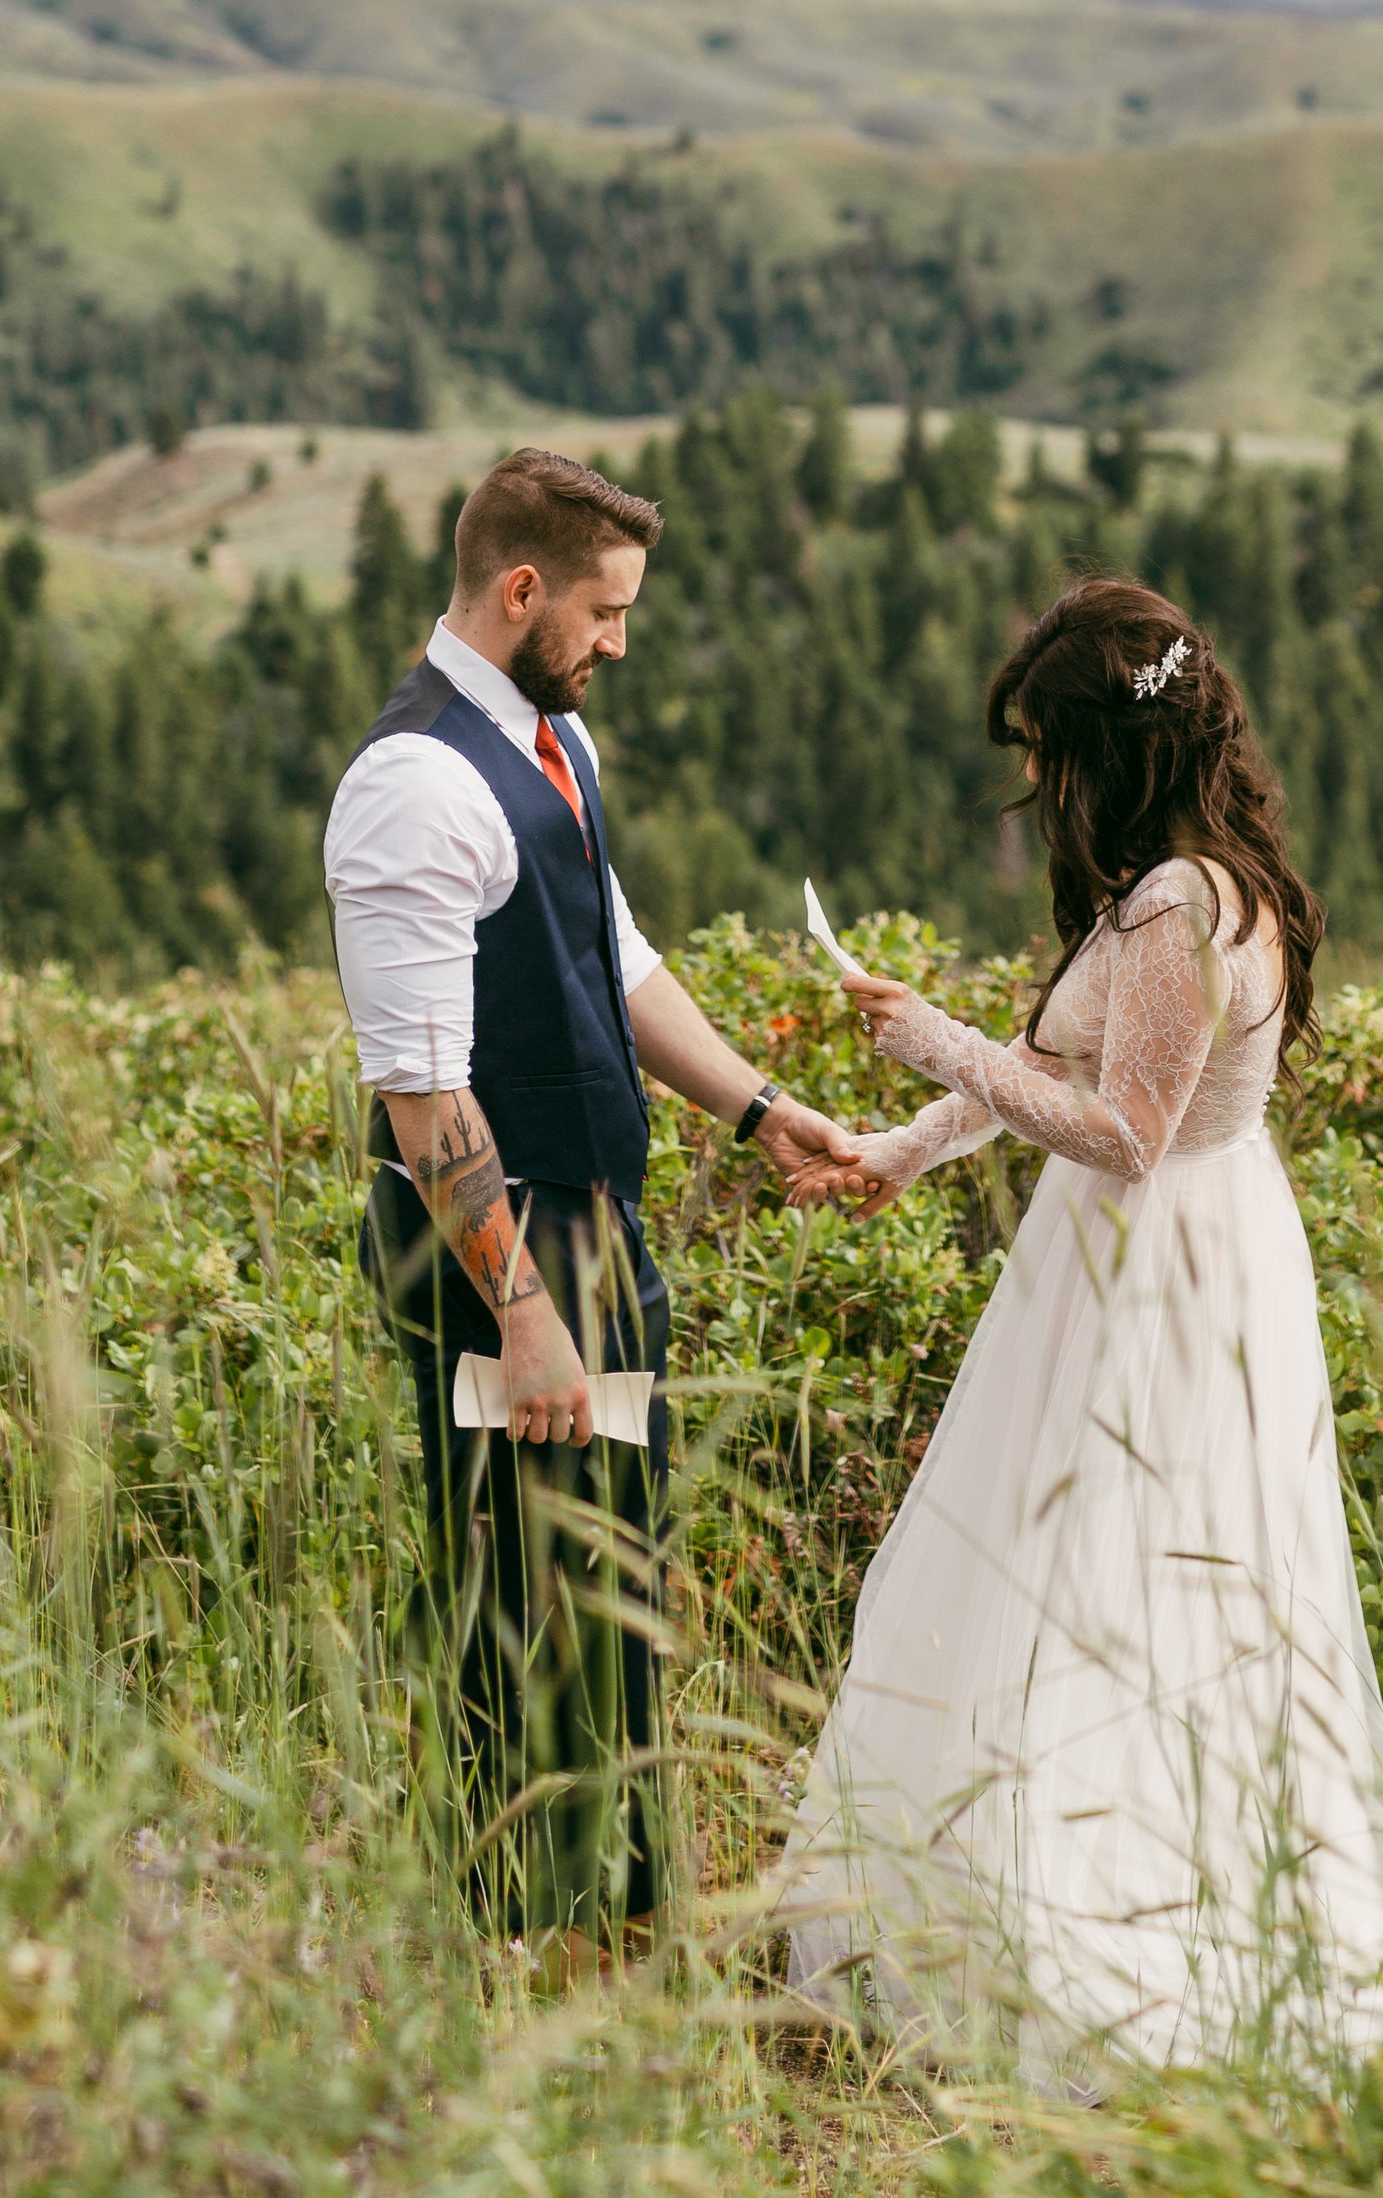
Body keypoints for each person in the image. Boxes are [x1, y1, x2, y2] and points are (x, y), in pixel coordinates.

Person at [779, 574, 1383, 2075]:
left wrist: (928, 1030)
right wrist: (903, 1143)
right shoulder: (1184, 881)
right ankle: (1025, 1852)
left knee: (1120, 1571)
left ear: (1111, 748)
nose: (1037, 787)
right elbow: (1051, 1067)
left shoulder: (1180, 904)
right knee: (1072, 1567)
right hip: (1149, 1255)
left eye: (1049, 753)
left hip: (1158, 1272)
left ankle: (1103, 1889)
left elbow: (1124, 1127)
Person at [326, 443, 860, 1947]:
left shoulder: (558, 749)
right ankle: (518, 1952)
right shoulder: (414, 785)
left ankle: (619, 1923)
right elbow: (425, 1100)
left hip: (591, 1240)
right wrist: (525, 1309)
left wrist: (758, 1110)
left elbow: (609, 960)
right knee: (520, 1608)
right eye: (604, 611)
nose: (619, 642)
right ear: (520, 589)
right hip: (496, 1255)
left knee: (614, 1578)